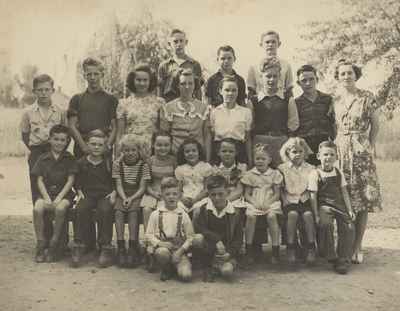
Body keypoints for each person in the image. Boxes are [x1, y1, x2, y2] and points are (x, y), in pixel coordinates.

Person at [333, 59, 382, 264]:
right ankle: (342, 244)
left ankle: (357, 246)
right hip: (340, 150)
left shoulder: (366, 97)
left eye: (350, 73)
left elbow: (376, 124)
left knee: (361, 201)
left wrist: (369, 146)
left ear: (356, 75)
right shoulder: (334, 99)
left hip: (361, 151)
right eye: (342, 73)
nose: (346, 76)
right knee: (341, 197)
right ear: (338, 76)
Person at [31, 125, 77, 262]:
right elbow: (39, 180)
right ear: (50, 140)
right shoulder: (43, 158)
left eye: (63, 140)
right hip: (46, 193)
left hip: (64, 194)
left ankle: (54, 243)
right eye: (56, 139)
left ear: (67, 141)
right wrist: (46, 197)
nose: (59, 142)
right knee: (37, 208)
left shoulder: (69, 158)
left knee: (60, 208)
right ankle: (41, 242)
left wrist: (59, 198)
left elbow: (71, 181)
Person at [308, 141, 355, 274]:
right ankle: (330, 255)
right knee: (325, 224)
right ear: (318, 156)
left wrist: (350, 209)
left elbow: (344, 192)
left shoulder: (338, 173)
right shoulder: (315, 174)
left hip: (339, 205)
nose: (328, 157)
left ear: (336, 157)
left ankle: (343, 259)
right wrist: (316, 214)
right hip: (324, 206)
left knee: (349, 226)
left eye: (331, 154)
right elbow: (313, 196)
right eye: (325, 154)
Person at [71, 130, 116, 268]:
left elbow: (115, 180)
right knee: (80, 209)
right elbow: (76, 181)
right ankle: (80, 244)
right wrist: (78, 191)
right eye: (93, 144)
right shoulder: (81, 163)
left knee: (105, 210)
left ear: (105, 146)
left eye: (100, 145)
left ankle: (105, 247)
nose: (96, 147)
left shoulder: (109, 163)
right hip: (87, 195)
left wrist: (114, 192)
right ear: (87, 145)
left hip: (104, 195)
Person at [20, 74, 67, 205]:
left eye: (47, 89)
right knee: (37, 189)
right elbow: (25, 135)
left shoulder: (60, 111)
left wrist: (58, 150)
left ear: (53, 90)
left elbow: (65, 133)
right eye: (40, 90)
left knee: (56, 187)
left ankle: (57, 222)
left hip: (56, 153)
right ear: (34, 91)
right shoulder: (27, 112)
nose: (43, 93)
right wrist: (35, 150)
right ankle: (42, 223)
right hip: (36, 153)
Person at [193, 175, 244, 282]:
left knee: (227, 272)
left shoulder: (235, 213)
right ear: (209, 195)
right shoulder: (204, 210)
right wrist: (217, 240)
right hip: (210, 248)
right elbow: (200, 228)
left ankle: (219, 266)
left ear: (227, 192)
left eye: (220, 194)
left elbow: (238, 239)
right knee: (198, 238)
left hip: (225, 251)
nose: (217, 198)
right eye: (213, 195)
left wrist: (229, 254)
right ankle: (207, 266)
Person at [146, 177, 197, 282]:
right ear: (162, 196)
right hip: (164, 248)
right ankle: (167, 268)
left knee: (186, 276)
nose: (171, 197)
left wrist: (180, 251)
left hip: (179, 249)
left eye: (174, 194)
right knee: (162, 253)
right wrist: (160, 243)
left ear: (179, 195)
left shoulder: (183, 214)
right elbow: (149, 234)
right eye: (167, 194)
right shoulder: (156, 214)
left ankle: (179, 265)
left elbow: (190, 237)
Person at [251, 58, 299, 167]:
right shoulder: (253, 100)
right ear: (261, 77)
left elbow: (293, 124)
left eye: (275, 76)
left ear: (279, 77)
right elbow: (250, 124)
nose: (271, 80)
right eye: (268, 76)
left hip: (281, 142)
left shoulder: (287, 99)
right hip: (259, 142)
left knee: (281, 175)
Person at [67, 57, 118, 159]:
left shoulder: (111, 99)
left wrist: (107, 146)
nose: (92, 77)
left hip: (103, 148)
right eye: (89, 74)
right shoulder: (76, 99)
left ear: (102, 74)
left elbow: (115, 127)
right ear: (84, 76)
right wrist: (84, 147)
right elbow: (72, 126)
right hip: (82, 149)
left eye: (96, 74)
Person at [241, 144, 283, 264]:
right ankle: (248, 250)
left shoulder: (274, 174)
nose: (260, 161)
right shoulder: (250, 174)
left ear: (269, 160)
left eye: (263, 159)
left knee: (271, 217)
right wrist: (255, 203)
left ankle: (275, 250)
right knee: (250, 216)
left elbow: (277, 194)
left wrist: (267, 203)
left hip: (270, 201)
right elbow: (247, 194)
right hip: (254, 201)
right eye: (257, 158)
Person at [113, 134, 151, 268]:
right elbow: (118, 185)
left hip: (136, 194)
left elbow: (142, 187)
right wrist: (124, 198)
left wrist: (131, 198)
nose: (130, 153)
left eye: (133, 150)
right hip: (122, 193)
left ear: (138, 151)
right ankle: (121, 245)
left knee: (133, 213)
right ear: (122, 151)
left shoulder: (143, 165)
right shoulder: (118, 164)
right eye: (127, 150)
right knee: (118, 212)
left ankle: (133, 246)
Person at [278, 137, 316, 265]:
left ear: (305, 153)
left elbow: (312, 189)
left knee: (308, 215)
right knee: (292, 215)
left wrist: (311, 202)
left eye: (300, 151)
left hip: (304, 199)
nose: (297, 154)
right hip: (289, 200)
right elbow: (281, 189)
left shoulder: (310, 168)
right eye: (294, 152)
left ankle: (311, 247)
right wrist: (284, 201)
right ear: (288, 153)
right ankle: (290, 247)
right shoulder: (282, 168)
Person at [116, 63, 165, 159]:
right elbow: (120, 133)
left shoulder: (159, 102)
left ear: (150, 81)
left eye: (145, 80)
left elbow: (162, 131)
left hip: (152, 150)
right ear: (133, 81)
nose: (142, 83)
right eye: (138, 80)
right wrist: (117, 156)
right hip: (130, 150)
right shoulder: (124, 103)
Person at [160, 69, 211, 156]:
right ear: (177, 86)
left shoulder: (204, 108)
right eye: (183, 84)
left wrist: (207, 160)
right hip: (175, 156)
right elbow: (164, 136)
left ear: (195, 85)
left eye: (190, 83)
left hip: (197, 156)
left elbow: (207, 137)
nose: (187, 87)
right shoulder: (168, 108)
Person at [295, 65, 335, 165]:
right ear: (298, 83)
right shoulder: (296, 103)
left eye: (311, 79)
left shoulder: (327, 99)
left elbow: (334, 122)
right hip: (305, 146)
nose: (308, 83)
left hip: (325, 144)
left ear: (317, 79)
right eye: (304, 80)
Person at [209, 76, 253, 166]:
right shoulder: (214, 112)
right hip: (219, 153)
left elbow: (248, 139)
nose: (230, 93)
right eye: (227, 90)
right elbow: (211, 137)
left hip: (239, 153)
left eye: (234, 90)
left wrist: (250, 160)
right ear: (220, 91)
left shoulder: (246, 112)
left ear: (238, 92)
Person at [141, 132, 177, 231]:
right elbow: (146, 184)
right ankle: (149, 238)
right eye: (159, 145)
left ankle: (163, 238)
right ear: (153, 145)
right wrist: (153, 193)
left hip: (169, 193)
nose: (162, 148)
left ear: (170, 146)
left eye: (166, 145)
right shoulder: (150, 161)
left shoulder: (173, 161)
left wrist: (169, 193)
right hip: (152, 192)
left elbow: (177, 181)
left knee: (163, 210)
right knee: (146, 209)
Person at [158, 29, 203, 102]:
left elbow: (198, 91)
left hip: (189, 106)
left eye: (181, 41)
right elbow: (160, 91)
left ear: (186, 42)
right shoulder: (164, 65)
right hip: (169, 105)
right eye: (175, 42)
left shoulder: (194, 64)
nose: (179, 44)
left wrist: (199, 109)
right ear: (169, 44)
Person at [247, 30, 294, 99]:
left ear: (279, 44)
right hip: (260, 103)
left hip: (281, 102)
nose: (270, 44)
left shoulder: (286, 65)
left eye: (273, 42)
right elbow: (251, 90)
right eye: (267, 42)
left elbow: (289, 89)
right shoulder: (253, 66)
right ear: (261, 44)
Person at [175, 138, 214, 214]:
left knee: (198, 210)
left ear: (199, 152)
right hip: (185, 198)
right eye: (187, 151)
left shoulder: (206, 167)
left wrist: (196, 199)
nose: (191, 153)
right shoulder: (180, 169)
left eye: (194, 151)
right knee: (178, 209)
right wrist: (183, 199)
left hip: (201, 197)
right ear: (183, 154)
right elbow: (178, 189)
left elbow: (207, 189)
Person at [212, 138, 247, 208]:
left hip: (235, 197)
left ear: (236, 153)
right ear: (218, 153)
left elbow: (240, 190)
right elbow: (215, 188)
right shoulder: (215, 169)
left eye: (231, 151)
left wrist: (226, 200)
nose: (227, 154)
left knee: (235, 208)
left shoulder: (241, 167)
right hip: (219, 197)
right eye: (224, 151)